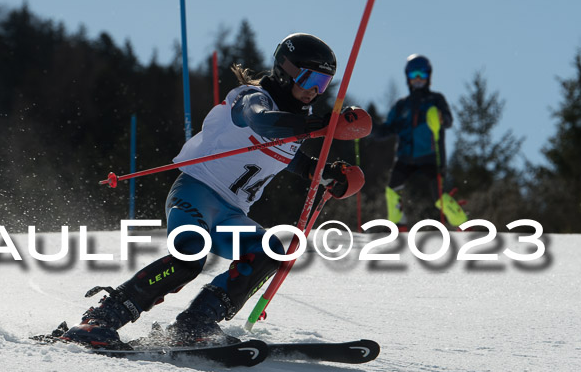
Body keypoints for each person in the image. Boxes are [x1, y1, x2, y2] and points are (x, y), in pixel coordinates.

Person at [59, 33, 371, 348]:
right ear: (285, 69)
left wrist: (330, 175)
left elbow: (294, 160)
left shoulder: (296, 125)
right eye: (311, 78)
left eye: (324, 82)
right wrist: (323, 125)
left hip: (231, 213)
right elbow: (263, 123)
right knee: (190, 255)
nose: (315, 90)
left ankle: (196, 324)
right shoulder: (251, 98)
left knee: (269, 249)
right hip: (195, 192)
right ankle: (100, 319)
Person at [377, 54, 455, 230]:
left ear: (429, 77)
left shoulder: (436, 99)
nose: (418, 79)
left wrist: (442, 117)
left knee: (439, 197)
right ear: (408, 78)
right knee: (392, 189)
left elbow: (448, 120)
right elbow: (386, 129)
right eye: (414, 75)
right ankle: (398, 224)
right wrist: (365, 129)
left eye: (422, 75)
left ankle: (464, 224)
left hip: (429, 155)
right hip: (405, 156)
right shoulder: (402, 105)